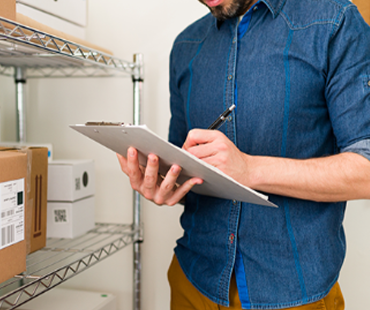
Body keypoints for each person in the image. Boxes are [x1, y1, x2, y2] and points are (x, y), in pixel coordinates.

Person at [117, 0, 370, 308]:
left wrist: (249, 169)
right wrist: (162, 181)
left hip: (294, 293)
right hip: (192, 281)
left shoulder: (335, 22)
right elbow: (185, 168)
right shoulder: (184, 46)